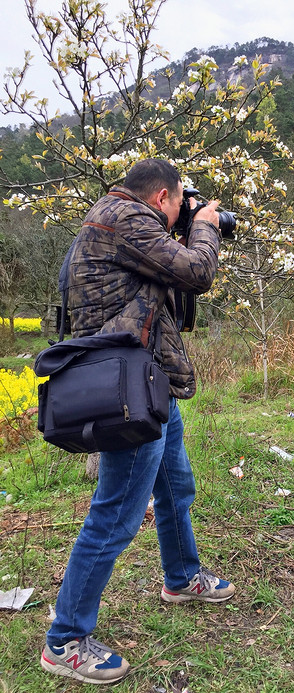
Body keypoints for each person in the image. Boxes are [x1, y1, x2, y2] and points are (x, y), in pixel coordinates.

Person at [40, 159, 235, 685]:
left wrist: (189, 225)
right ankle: (65, 639)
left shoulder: (117, 218)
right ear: (163, 198)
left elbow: (175, 291)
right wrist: (205, 228)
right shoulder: (125, 219)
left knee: (176, 487)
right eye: (178, 203)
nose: (180, 213)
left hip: (149, 381)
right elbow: (198, 270)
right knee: (118, 513)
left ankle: (182, 576)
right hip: (128, 390)